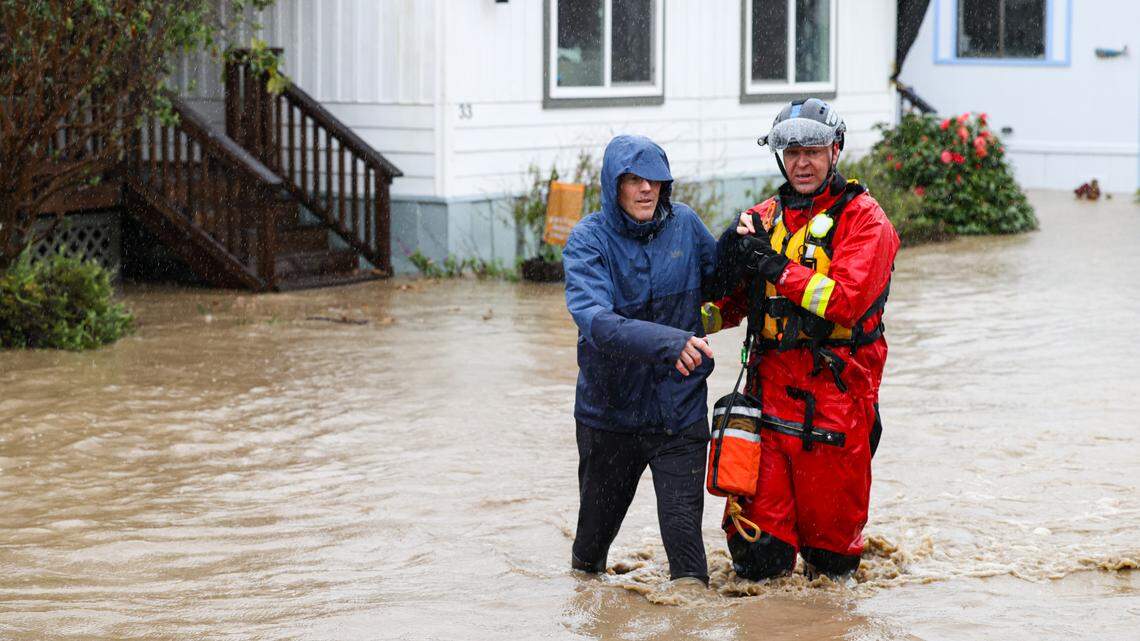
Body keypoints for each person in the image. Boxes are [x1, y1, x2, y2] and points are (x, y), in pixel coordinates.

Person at [705, 99, 900, 579]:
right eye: (791, 152)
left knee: (831, 562)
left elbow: (844, 301)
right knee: (758, 557)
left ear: (835, 151)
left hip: (836, 399)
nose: (802, 162)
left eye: (812, 150)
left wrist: (772, 264)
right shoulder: (762, 218)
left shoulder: (866, 221)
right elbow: (723, 312)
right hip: (767, 399)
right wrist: (721, 266)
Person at [563, 134, 728, 586]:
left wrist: (743, 238)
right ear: (613, 185)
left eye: (655, 180)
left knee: (689, 569)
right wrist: (670, 343)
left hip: (680, 415)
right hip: (609, 416)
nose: (645, 190)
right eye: (633, 179)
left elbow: (723, 286)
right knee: (588, 562)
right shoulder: (587, 241)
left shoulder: (687, 226)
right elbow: (597, 322)